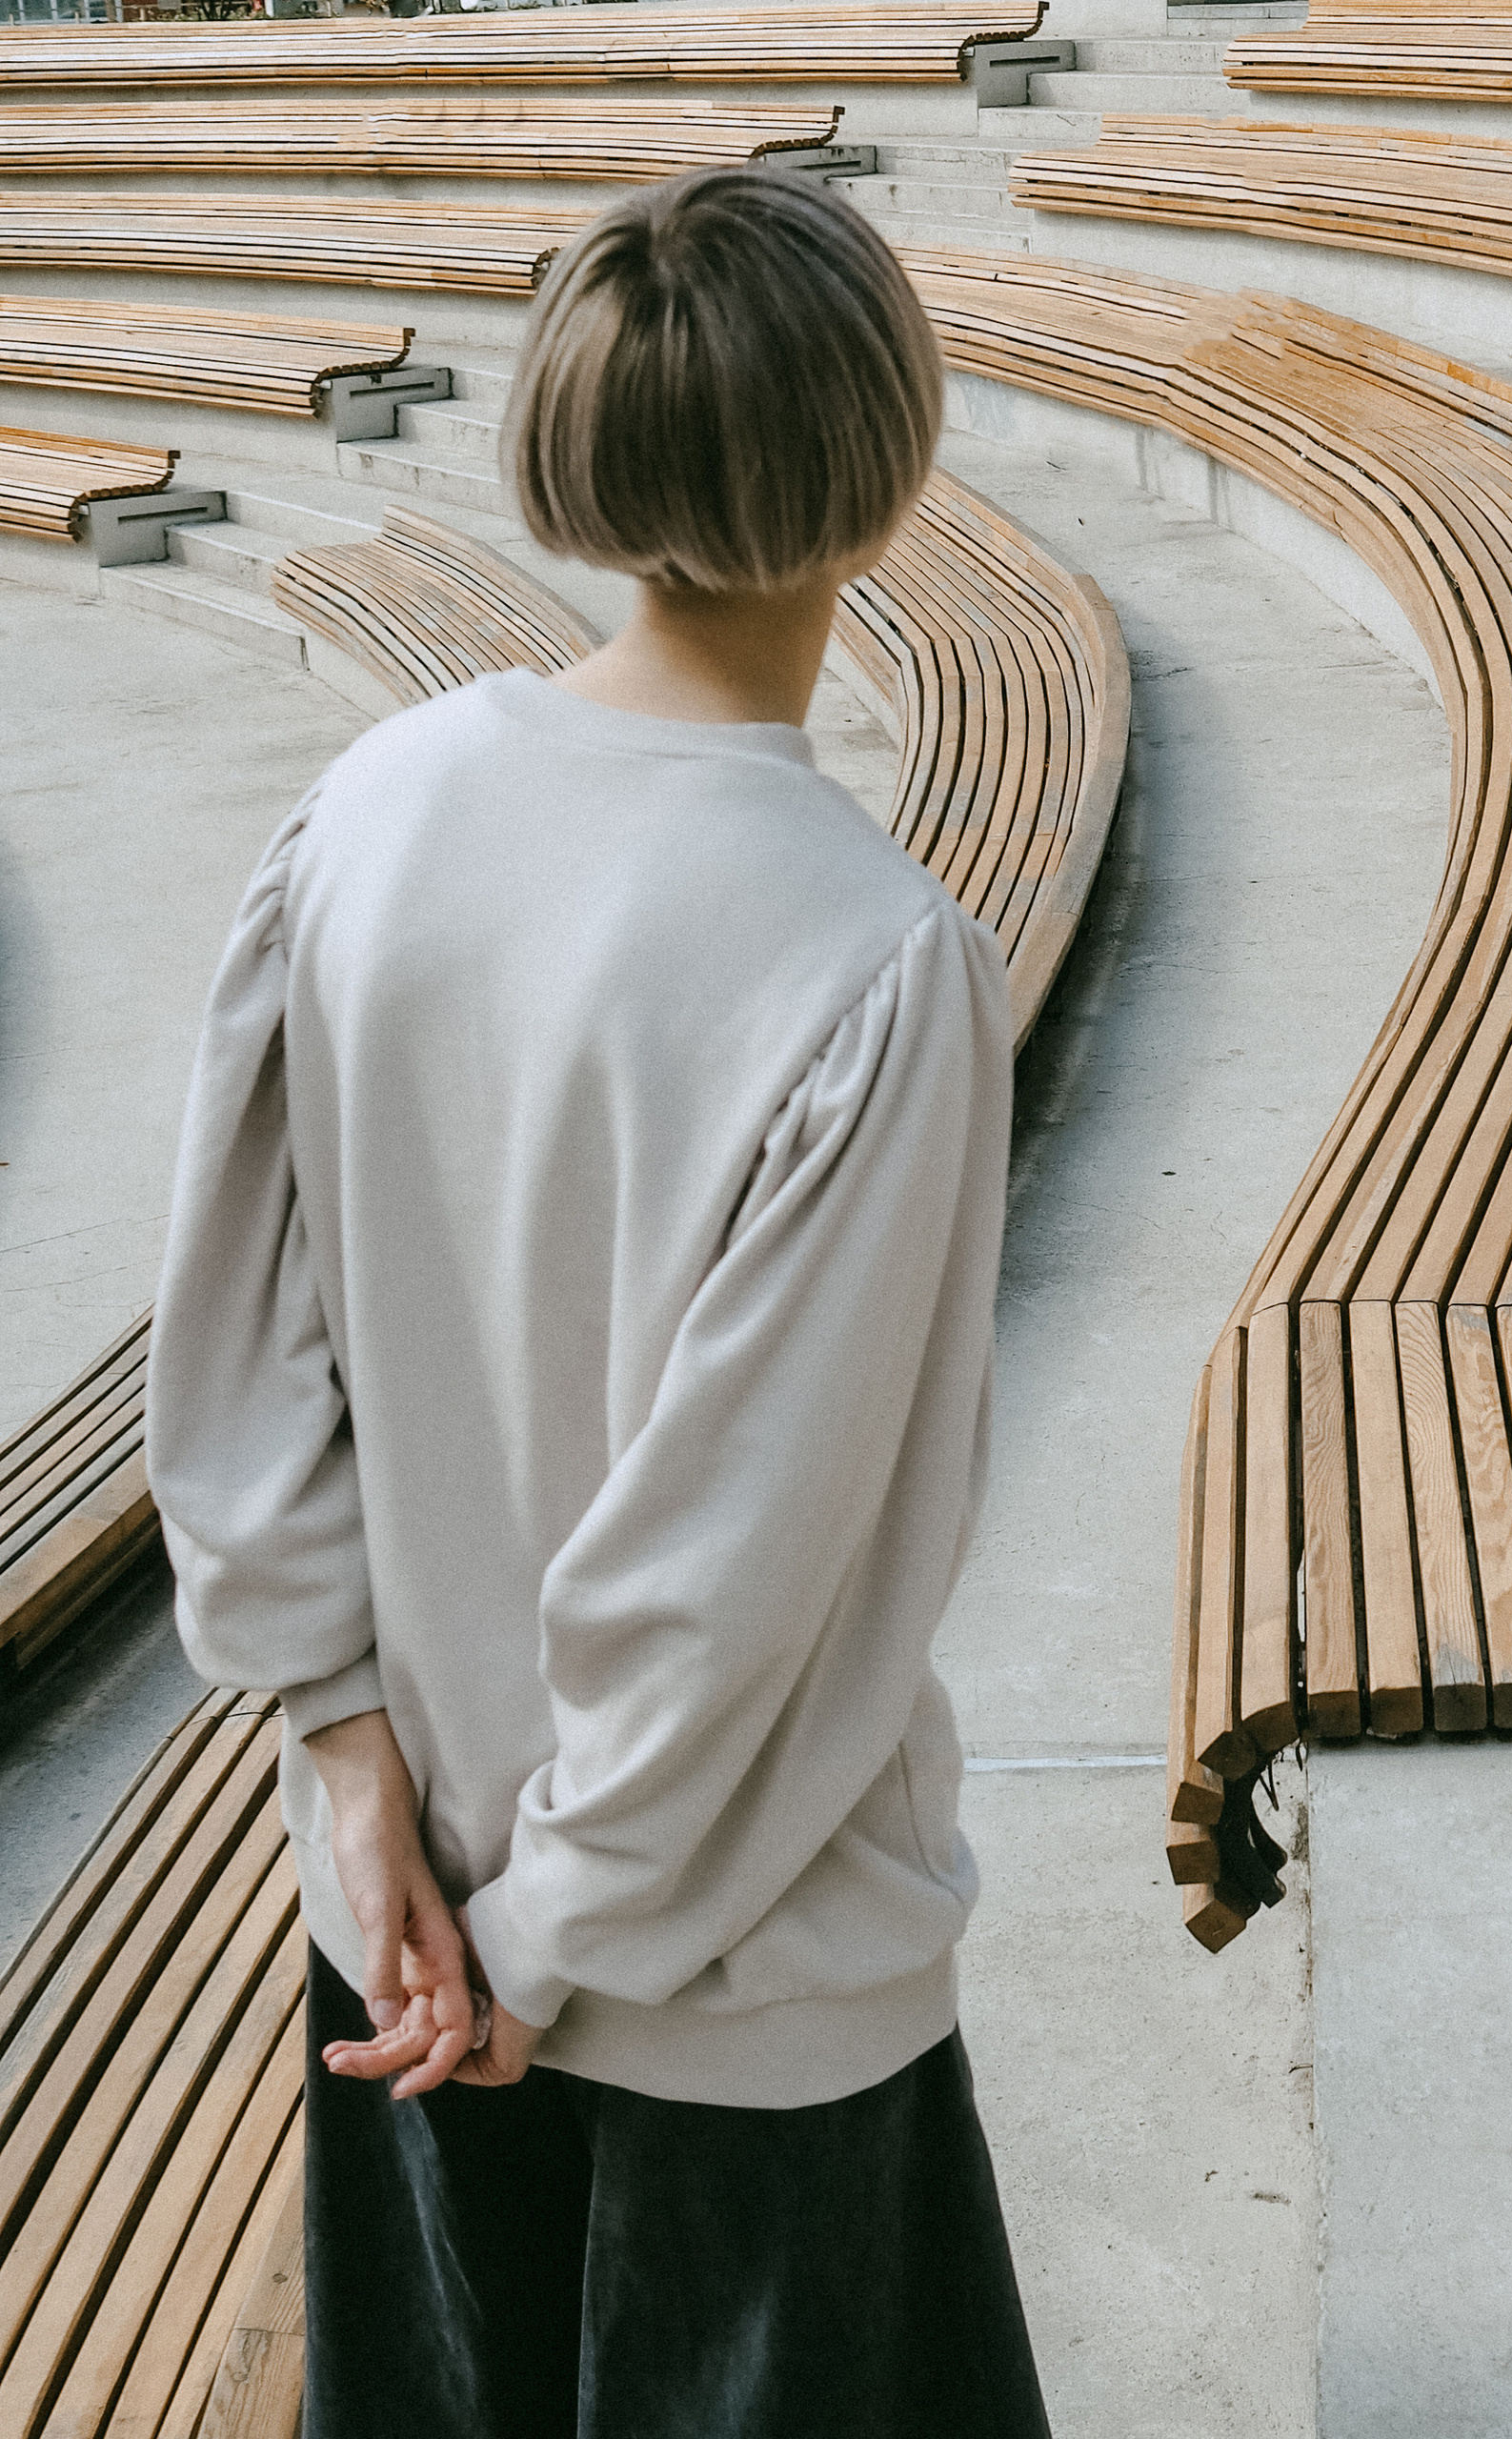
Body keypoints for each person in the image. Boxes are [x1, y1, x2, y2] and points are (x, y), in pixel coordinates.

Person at [147, 166, 1050, 2439]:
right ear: (892, 453)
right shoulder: (871, 960)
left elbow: (237, 1369)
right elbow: (742, 1568)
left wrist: (348, 1783)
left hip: (403, 1937)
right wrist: (547, 1938)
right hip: (717, 1988)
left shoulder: (371, 806)